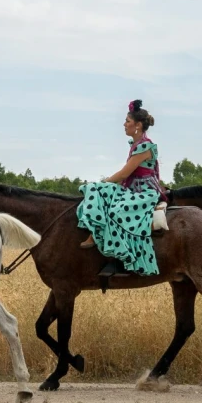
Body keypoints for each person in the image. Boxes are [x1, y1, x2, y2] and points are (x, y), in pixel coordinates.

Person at [76, 100, 164, 279]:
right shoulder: (136, 144)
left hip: (144, 192)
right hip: (132, 189)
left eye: (127, 121)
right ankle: (96, 232)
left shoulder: (145, 146)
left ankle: (124, 258)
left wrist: (104, 182)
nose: (124, 124)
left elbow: (124, 174)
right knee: (99, 192)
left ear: (138, 125)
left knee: (116, 210)